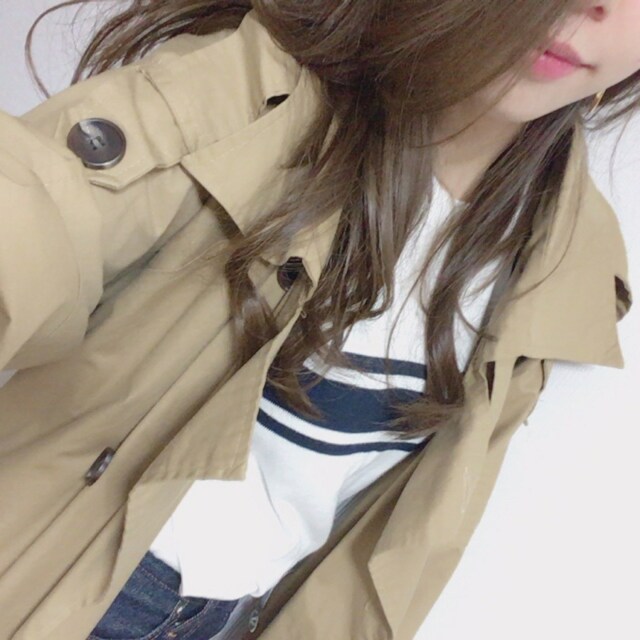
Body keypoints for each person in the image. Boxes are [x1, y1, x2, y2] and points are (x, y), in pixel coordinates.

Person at [0, 1, 637, 639]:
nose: (593, 6)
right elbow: (30, 221)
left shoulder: (564, 252)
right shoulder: (247, 94)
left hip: (225, 619)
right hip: (54, 590)